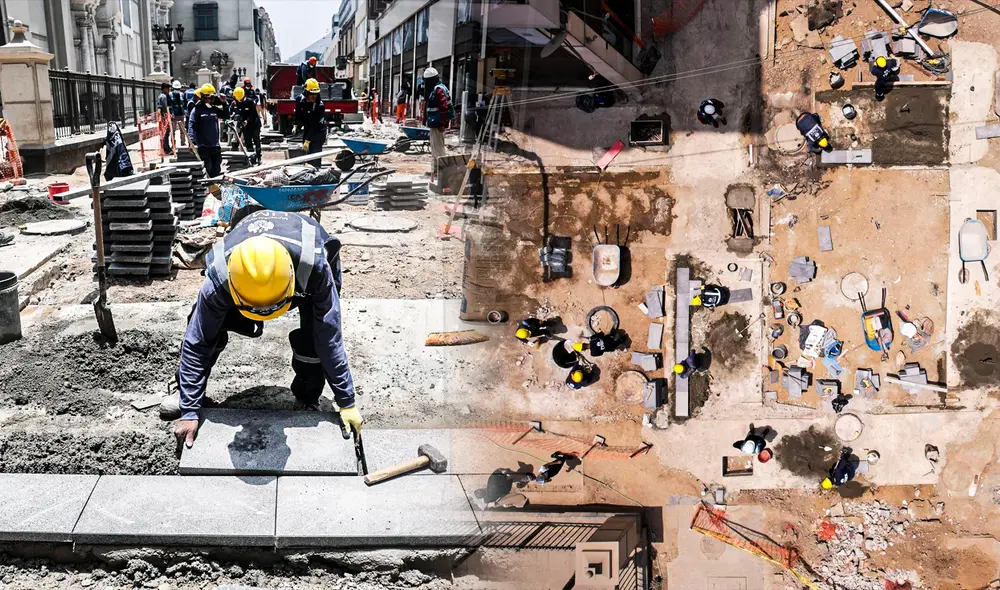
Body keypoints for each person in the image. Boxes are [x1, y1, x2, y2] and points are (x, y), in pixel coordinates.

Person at [160, 209, 359, 448]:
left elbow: (330, 339)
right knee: (205, 327)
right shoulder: (220, 277)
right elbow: (197, 342)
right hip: (246, 274)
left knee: (315, 337)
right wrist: (190, 411)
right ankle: (187, 394)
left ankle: (307, 397)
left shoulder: (315, 268)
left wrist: (346, 401)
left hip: (305, 267)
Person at [188, 83, 227, 178]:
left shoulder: (214, 109)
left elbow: (226, 115)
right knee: (207, 168)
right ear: (203, 98)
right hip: (203, 146)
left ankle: (216, 189)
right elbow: (191, 125)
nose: (211, 100)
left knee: (216, 168)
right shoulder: (197, 111)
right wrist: (191, 140)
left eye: (213, 98)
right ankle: (207, 189)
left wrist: (224, 103)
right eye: (210, 98)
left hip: (215, 145)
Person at [423, 67, 454, 171]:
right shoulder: (440, 87)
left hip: (437, 124)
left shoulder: (438, 89)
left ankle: (442, 170)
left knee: (438, 149)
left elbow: (444, 108)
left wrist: (442, 124)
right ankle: (437, 170)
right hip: (436, 123)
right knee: (436, 147)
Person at [294, 78, 327, 168]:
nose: (314, 96)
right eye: (312, 94)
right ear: (306, 92)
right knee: (307, 156)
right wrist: (296, 124)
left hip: (318, 131)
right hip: (308, 127)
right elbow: (298, 113)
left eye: (316, 94)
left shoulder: (319, 106)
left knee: (315, 155)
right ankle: (308, 171)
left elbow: (315, 125)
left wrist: (308, 140)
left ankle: (316, 172)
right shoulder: (300, 100)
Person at [233, 87, 262, 165]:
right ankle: (252, 158)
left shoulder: (250, 102)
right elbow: (236, 112)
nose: (240, 100)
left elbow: (253, 114)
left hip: (254, 124)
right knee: (248, 142)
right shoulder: (236, 102)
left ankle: (259, 157)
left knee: (256, 140)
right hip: (245, 126)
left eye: (241, 99)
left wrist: (247, 121)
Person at [169, 80, 188, 148]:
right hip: (174, 115)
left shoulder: (182, 94)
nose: (177, 90)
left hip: (181, 114)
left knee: (182, 130)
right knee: (173, 130)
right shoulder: (170, 95)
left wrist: (185, 111)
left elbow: (185, 104)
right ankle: (173, 144)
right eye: (176, 89)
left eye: (178, 89)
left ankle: (183, 142)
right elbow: (169, 105)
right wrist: (171, 113)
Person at [156, 82, 173, 155]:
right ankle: (167, 149)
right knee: (166, 133)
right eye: (168, 88)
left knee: (164, 133)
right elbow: (165, 108)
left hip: (162, 117)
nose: (169, 90)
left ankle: (164, 148)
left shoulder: (161, 96)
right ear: (165, 89)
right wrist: (168, 116)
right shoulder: (164, 97)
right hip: (164, 117)